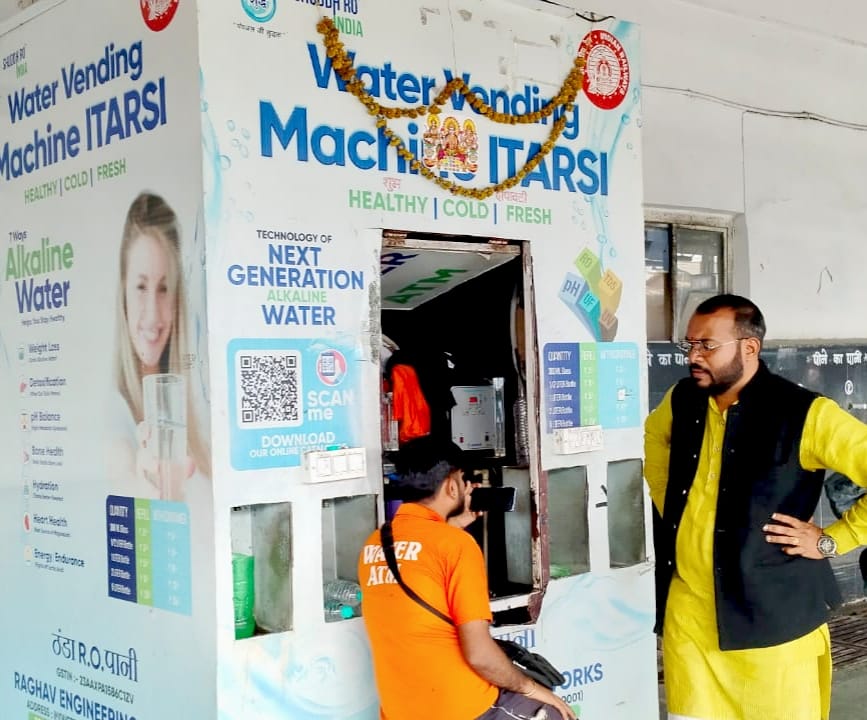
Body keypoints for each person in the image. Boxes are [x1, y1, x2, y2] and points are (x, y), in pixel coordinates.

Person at [645, 293, 867, 720]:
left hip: (774, 627)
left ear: (749, 347)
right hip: (691, 625)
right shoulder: (683, 400)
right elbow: (653, 439)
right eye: (689, 343)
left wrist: (833, 540)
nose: (693, 356)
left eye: (707, 345)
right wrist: (672, 502)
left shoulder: (806, 414)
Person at [358, 436, 575, 720]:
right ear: (451, 486)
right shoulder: (456, 545)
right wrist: (533, 689)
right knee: (556, 713)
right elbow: (480, 656)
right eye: (462, 480)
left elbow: (418, 566)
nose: (465, 487)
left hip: (400, 710)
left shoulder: (375, 543)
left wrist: (452, 527)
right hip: (460, 707)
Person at [107, 192, 210, 500]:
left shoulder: (194, 405)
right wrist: (150, 489)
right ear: (123, 293)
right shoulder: (115, 420)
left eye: (163, 289)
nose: (152, 314)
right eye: (141, 287)